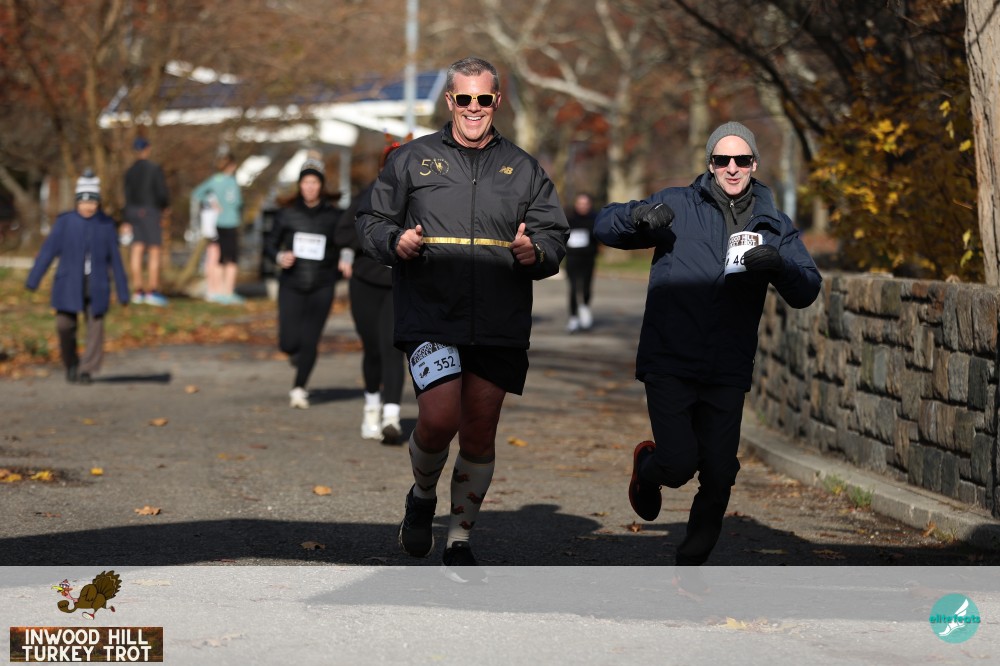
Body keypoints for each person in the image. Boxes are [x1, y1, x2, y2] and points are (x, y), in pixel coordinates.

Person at [356, 56, 568, 580]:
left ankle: (459, 539)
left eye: (484, 98)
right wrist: (394, 240)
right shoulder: (412, 159)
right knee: (438, 419)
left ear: (497, 101)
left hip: (499, 320)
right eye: (465, 98)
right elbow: (370, 219)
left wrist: (537, 252)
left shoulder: (523, 168)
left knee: (478, 433)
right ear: (450, 100)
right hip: (431, 313)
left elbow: (553, 235)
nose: (475, 108)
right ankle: (422, 494)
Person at [595, 121, 822, 579]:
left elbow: (807, 289)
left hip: (727, 363)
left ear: (755, 164)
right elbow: (605, 225)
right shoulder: (677, 204)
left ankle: (692, 565)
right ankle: (648, 466)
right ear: (710, 163)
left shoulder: (774, 224)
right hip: (669, 356)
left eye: (742, 160)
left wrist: (779, 266)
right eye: (722, 160)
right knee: (679, 463)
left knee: (719, 471)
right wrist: (639, 218)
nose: (732, 168)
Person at [335, 136, 409, 444]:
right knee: (372, 349)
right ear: (382, 166)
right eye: (391, 162)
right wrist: (374, 236)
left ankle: (391, 417)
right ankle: (371, 408)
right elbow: (342, 234)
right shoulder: (367, 195)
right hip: (365, 283)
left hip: (399, 285)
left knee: (393, 348)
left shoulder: (421, 197)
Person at [26, 170, 130, 384]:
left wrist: (123, 291)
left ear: (98, 202)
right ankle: (71, 362)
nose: (88, 206)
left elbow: (116, 260)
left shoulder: (106, 224)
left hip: (97, 285)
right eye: (83, 202)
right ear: (77, 202)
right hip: (68, 283)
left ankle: (86, 369)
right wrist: (34, 278)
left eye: (92, 202)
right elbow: (48, 251)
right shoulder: (65, 222)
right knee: (64, 326)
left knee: (96, 328)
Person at [264, 153, 343, 409]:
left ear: (321, 186)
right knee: (288, 342)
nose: (310, 187)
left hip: (322, 284)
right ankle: (295, 355)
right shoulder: (286, 214)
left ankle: (299, 388)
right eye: (305, 182)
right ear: (299, 185)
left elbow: (344, 243)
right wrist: (279, 257)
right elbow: (270, 244)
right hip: (292, 284)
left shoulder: (334, 216)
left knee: (310, 339)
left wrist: (345, 259)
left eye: (314, 182)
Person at [122, 137, 170, 307]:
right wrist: (164, 208)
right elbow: (162, 193)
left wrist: (126, 218)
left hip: (132, 212)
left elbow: (126, 195)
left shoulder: (129, 171)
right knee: (154, 250)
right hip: (150, 210)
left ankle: (138, 290)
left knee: (137, 248)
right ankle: (152, 290)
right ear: (148, 149)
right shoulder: (154, 169)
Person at [191, 152, 244, 304]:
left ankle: (219, 291)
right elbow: (238, 202)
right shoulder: (232, 182)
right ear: (232, 166)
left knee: (220, 258)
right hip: (231, 222)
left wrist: (211, 202)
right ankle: (228, 292)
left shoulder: (215, 180)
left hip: (218, 223)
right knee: (231, 259)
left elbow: (197, 193)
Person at [563, 192, 600, 332]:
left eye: (585, 204)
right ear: (575, 204)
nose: (582, 206)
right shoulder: (569, 218)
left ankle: (584, 307)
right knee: (573, 287)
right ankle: (573, 318)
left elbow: (599, 238)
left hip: (588, 258)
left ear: (590, 205)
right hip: (572, 258)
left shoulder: (595, 218)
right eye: (580, 203)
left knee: (586, 286)